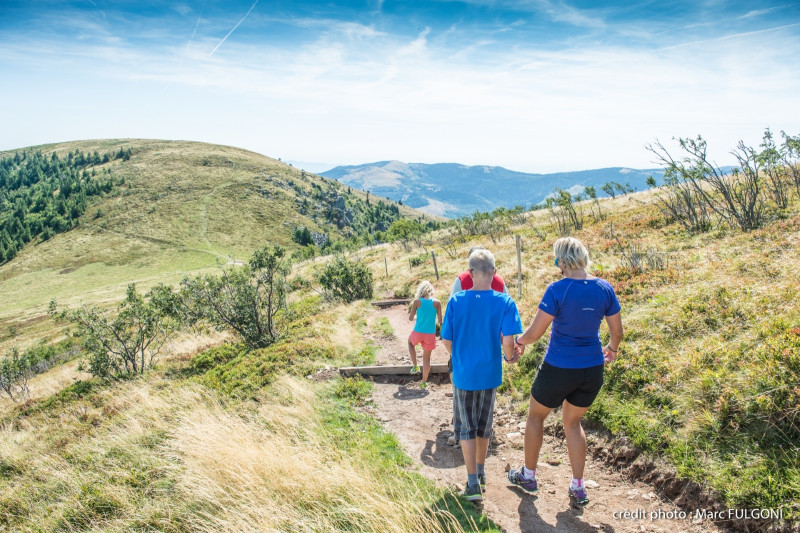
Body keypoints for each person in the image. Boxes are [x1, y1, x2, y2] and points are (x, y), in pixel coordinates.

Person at [508, 237, 623, 506]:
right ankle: (578, 486)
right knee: (573, 423)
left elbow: (536, 333)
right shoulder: (604, 288)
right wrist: (612, 349)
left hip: (559, 367)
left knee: (536, 416)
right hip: (592, 369)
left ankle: (528, 476)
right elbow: (617, 332)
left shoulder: (557, 290)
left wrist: (519, 343)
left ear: (561, 261)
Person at [441, 248, 523, 502]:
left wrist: (457, 358)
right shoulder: (505, 302)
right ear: (494, 273)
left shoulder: (456, 301)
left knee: (466, 427)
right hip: (490, 372)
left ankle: (472, 483)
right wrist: (509, 357)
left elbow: (446, 337)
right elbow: (508, 341)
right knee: (484, 426)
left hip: (464, 374)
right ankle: (482, 470)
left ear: (470, 273)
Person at [447, 245, 509, 447]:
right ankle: (483, 432)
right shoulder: (500, 282)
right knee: (486, 395)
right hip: (489, 349)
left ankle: (461, 428)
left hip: (463, 347)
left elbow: (452, 316)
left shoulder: (461, 281)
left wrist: (454, 353)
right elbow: (506, 316)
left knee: (459, 385)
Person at [408, 280, 442, 389]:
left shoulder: (417, 302)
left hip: (418, 331)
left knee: (410, 343)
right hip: (430, 334)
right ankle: (423, 382)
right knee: (427, 359)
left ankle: (415, 366)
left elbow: (410, 318)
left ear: (421, 290)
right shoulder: (437, 303)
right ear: (431, 290)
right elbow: (440, 321)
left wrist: (419, 316)